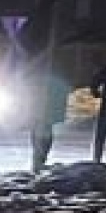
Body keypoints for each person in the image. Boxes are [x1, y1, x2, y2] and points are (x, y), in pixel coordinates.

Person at [28, 42, 73, 173]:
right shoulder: (48, 67)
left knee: (41, 130)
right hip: (43, 105)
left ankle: (38, 160)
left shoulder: (41, 67)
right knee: (42, 130)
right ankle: (39, 161)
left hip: (44, 105)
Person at [91, 57, 106, 164]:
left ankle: (96, 160)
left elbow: (96, 80)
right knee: (100, 135)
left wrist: (95, 92)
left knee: (100, 136)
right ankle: (96, 160)